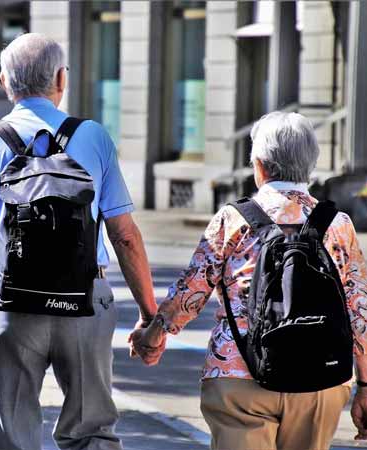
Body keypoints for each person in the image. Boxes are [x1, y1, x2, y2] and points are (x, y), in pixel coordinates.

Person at [0, 33, 159, 450]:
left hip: (11, 305)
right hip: (85, 301)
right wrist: (150, 314)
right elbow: (124, 235)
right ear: (61, 78)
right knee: (91, 431)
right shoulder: (93, 138)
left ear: (4, 80)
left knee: (11, 436)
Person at [131, 111, 367, 450]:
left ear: (260, 164)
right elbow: (359, 311)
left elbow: (192, 290)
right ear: (311, 164)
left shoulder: (234, 219)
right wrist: (366, 384)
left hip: (239, 376)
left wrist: (153, 335)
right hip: (320, 379)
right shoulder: (338, 224)